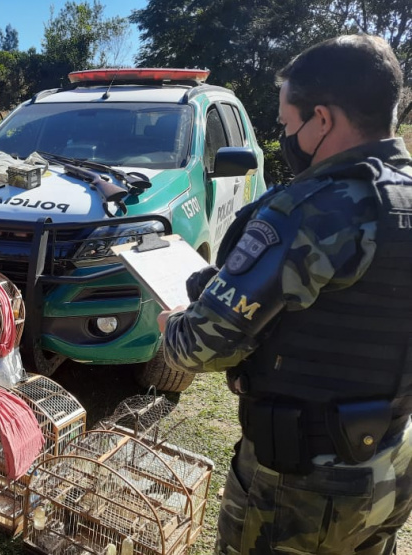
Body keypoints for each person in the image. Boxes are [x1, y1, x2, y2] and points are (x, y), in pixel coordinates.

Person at [159, 34, 412, 554]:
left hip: (304, 484)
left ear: (322, 119)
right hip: (391, 462)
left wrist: (175, 325)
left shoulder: (312, 211)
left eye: (285, 122)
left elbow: (202, 345)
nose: (282, 135)